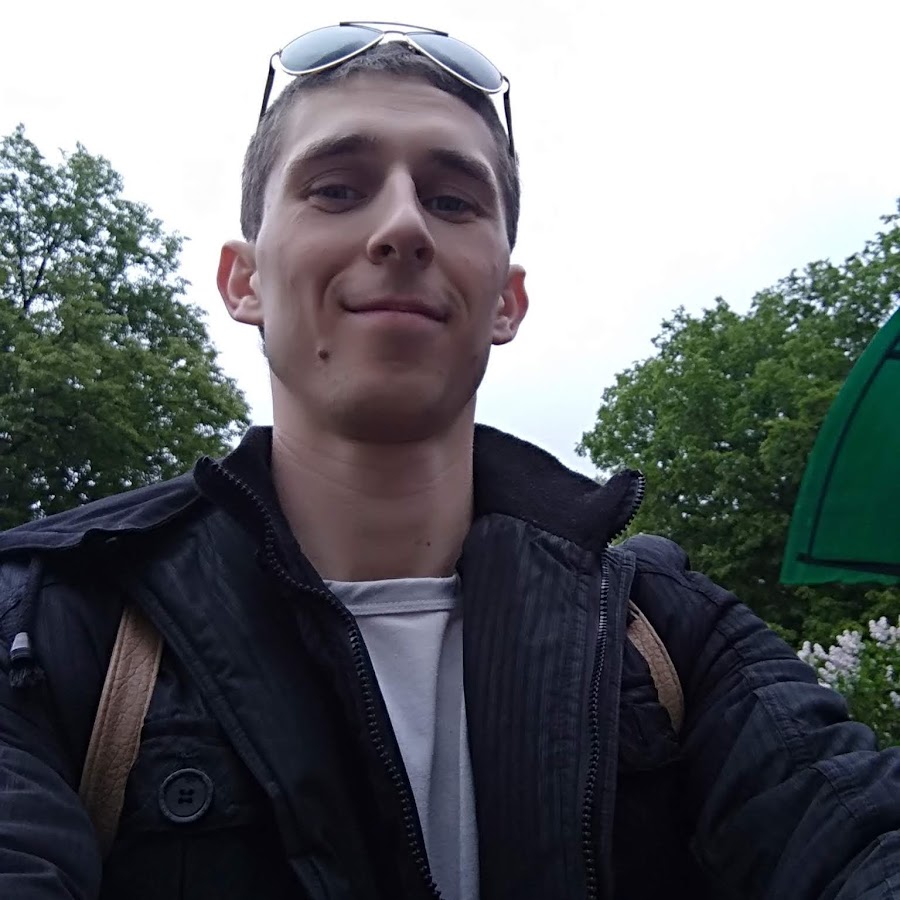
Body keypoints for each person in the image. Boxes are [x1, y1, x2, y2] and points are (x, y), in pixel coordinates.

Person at [0, 21, 898, 900]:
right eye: (337, 190)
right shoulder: (49, 627)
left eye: (454, 201)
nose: (402, 226)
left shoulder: (672, 634)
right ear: (244, 281)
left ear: (507, 299)